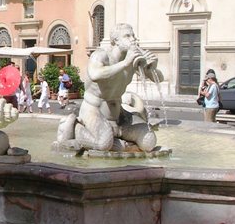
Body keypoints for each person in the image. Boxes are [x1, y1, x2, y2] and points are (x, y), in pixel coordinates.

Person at [58, 23, 161, 152]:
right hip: (94, 111)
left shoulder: (132, 60)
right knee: (103, 144)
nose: (133, 39)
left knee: (149, 141)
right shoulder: (101, 55)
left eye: (133, 35)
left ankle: (116, 138)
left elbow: (159, 79)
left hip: (118, 116)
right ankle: (76, 127)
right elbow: (95, 74)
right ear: (115, 40)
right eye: (127, 36)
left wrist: (152, 67)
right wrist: (125, 63)